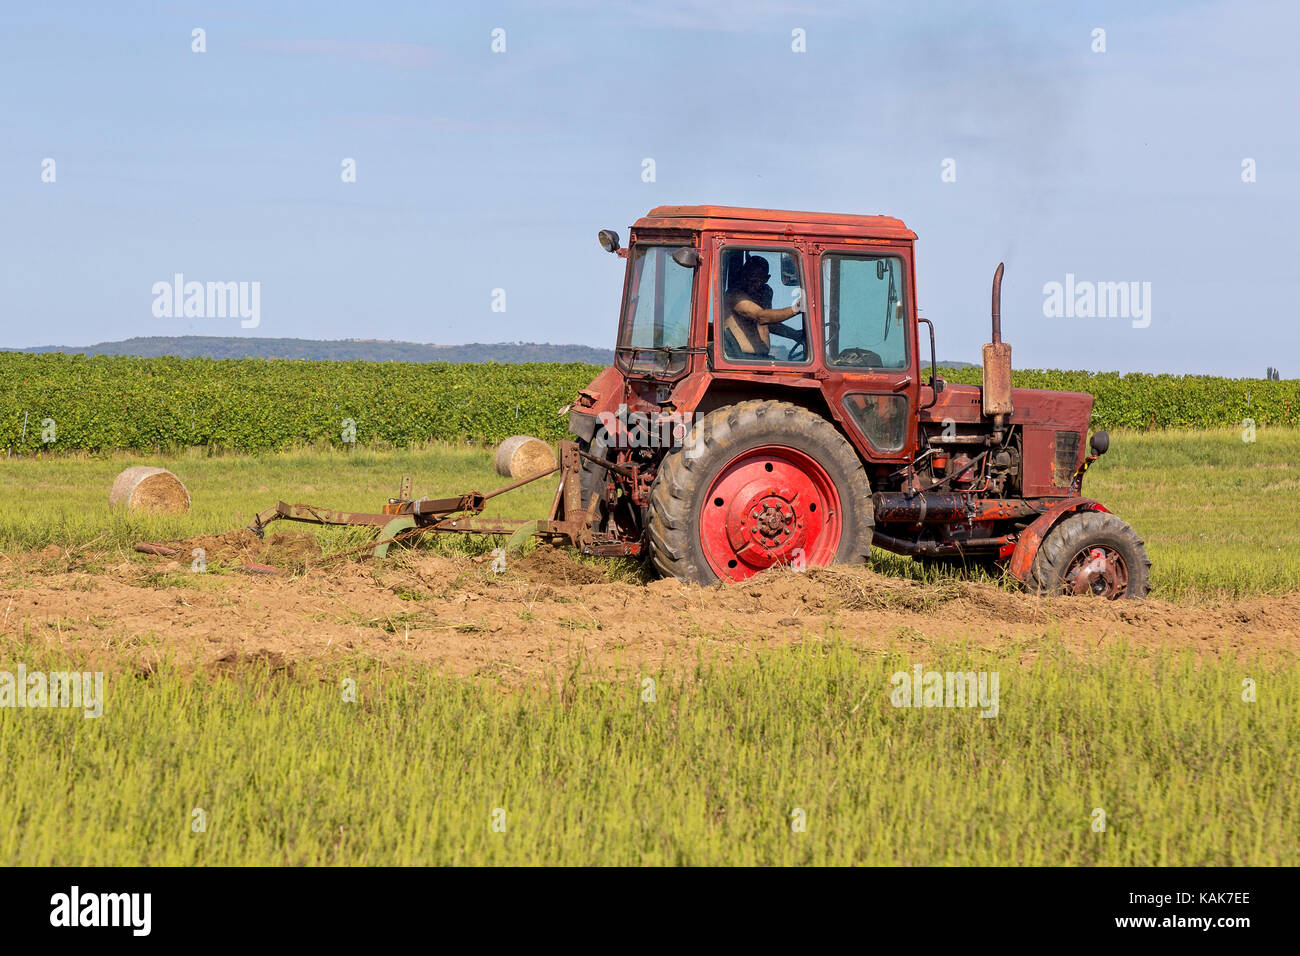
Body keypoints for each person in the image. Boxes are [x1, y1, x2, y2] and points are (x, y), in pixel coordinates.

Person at [722, 257, 806, 358]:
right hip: (739, 358)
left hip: (761, 358)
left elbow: (768, 322)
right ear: (743, 275)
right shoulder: (735, 295)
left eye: (760, 280)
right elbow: (761, 317)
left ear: (767, 278)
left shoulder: (765, 292)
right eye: (751, 278)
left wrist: (794, 334)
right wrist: (797, 308)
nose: (755, 284)